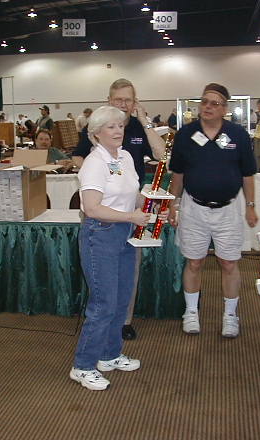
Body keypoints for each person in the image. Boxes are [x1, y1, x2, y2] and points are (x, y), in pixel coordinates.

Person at [70, 105, 167, 391]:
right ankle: (83, 366)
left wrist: (152, 208)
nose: (117, 131)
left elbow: (133, 196)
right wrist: (130, 217)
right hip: (100, 235)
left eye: (120, 126)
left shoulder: (123, 157)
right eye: (110, 127)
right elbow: (92, 208)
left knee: (121, 300)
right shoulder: (94, 163)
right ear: (96, 133)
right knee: (103, 304)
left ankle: (109, 355)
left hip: (125, 233)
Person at [168, 83, 258, 338]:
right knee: (194, 261)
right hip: (193, 208)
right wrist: (173, 204)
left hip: (228, 210)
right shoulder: (186, 134)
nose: (207, 107)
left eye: (214, 103)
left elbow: (248, 175)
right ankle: (191, 312)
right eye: (204, 102)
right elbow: (178, 174)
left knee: (229, 262)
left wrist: (250, 206)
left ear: (225, 108)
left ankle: (230, 315)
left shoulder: (238, 135)